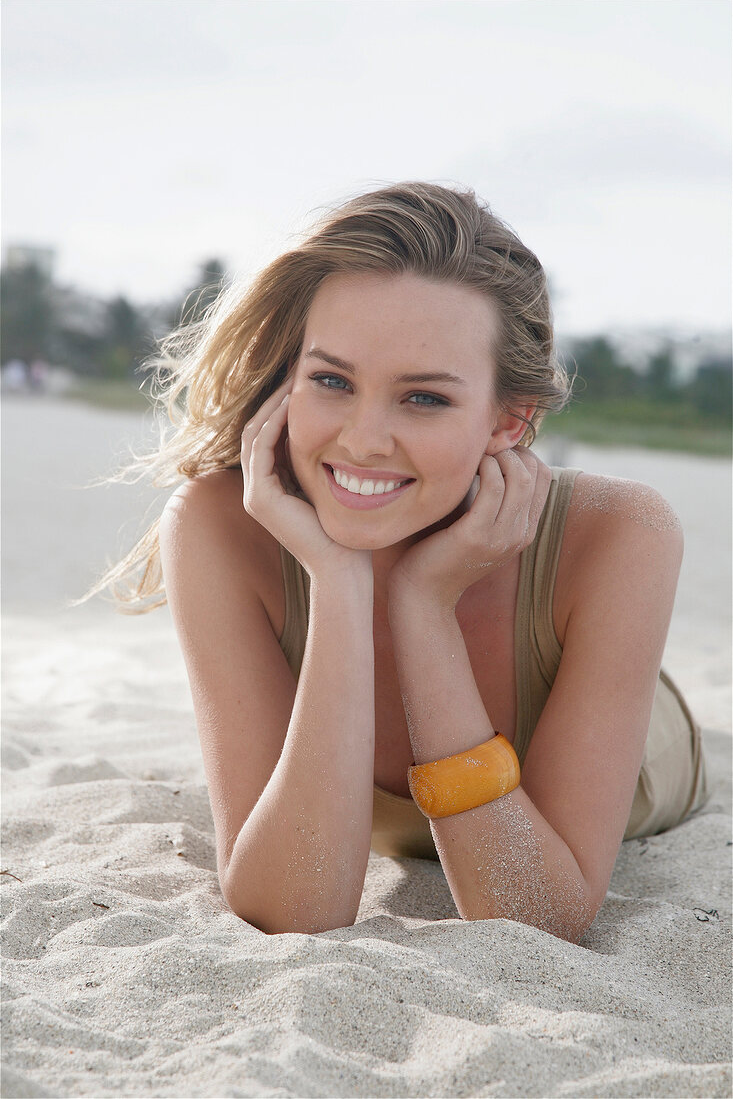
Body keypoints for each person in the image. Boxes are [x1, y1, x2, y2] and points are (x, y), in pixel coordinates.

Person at [89, 182, 708, 941]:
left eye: (422, 399)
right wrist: (340, 582)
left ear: (508, 420)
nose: (362, 440)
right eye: (331, 380)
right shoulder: (223, 528)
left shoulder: (621, 534)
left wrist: (423, 606)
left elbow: (535, 915)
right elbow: (294, 910)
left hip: (643, 750)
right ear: (288, 381)